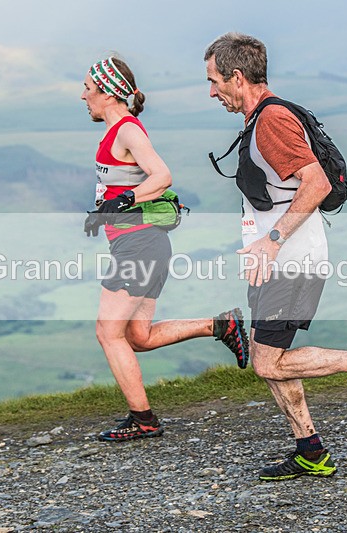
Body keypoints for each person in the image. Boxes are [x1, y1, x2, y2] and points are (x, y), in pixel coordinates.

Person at [203, 33, 347, 481]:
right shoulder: (260, 118)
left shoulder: (272, 121)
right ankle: (309, 449)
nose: (212, 92)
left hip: (292, 261)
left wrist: (272, 240)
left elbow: (317, 184)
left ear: (238, 77)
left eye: (215, 81)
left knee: (266, 361)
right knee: (269, 354)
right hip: (275, 262)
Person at [81, 56, 249, 442]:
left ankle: (143, 420)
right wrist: (103, 212)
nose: (83, 95)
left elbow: (162, 176)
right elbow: (121, 189)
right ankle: (220, 325)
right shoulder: (114, 132)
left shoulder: (126, 129)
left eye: (88, 88)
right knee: (137, 337)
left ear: (107, 93)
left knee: (108, 333)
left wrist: (122, 204)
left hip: (139, 247)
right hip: (142, 244)